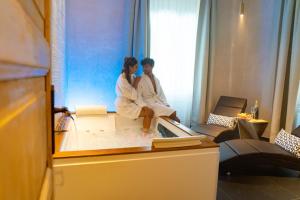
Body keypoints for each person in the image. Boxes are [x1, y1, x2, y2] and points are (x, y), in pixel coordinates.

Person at [115, 57, 154, 132]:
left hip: (131, 104)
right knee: (149, 113)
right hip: (123, 106)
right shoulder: (122, 79)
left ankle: (144, 133)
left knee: (150, 111)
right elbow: (132, 96)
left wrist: (143, 105)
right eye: (136, 67)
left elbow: (137, 95)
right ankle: (144, 136)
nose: (137, 69)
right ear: (130, 67)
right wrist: (136, 83)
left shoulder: (132, 76)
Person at [138, 58, 180, 122]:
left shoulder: (156, 80)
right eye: (143, 67)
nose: (144, 69)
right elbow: (138, 96)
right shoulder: (140, 80)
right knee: (174, 113)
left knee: (177, 119)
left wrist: (166, 103)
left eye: (146, 67)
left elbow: (161, 94)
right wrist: (144, 107)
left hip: (158, 102)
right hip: (149, 104)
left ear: (152, 67)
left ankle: (166, 131)